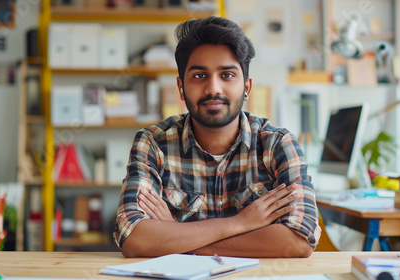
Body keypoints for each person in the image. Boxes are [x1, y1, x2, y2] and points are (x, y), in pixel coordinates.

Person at [114, 16, 321, 258]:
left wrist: (177, 235)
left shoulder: (278, 145)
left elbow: (298, 240)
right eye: (200, 76)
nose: (213, 88)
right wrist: (241, 223)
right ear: (181, 87)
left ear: (247, 87)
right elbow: (132, 237)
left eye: (227, 75)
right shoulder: (152, 143)